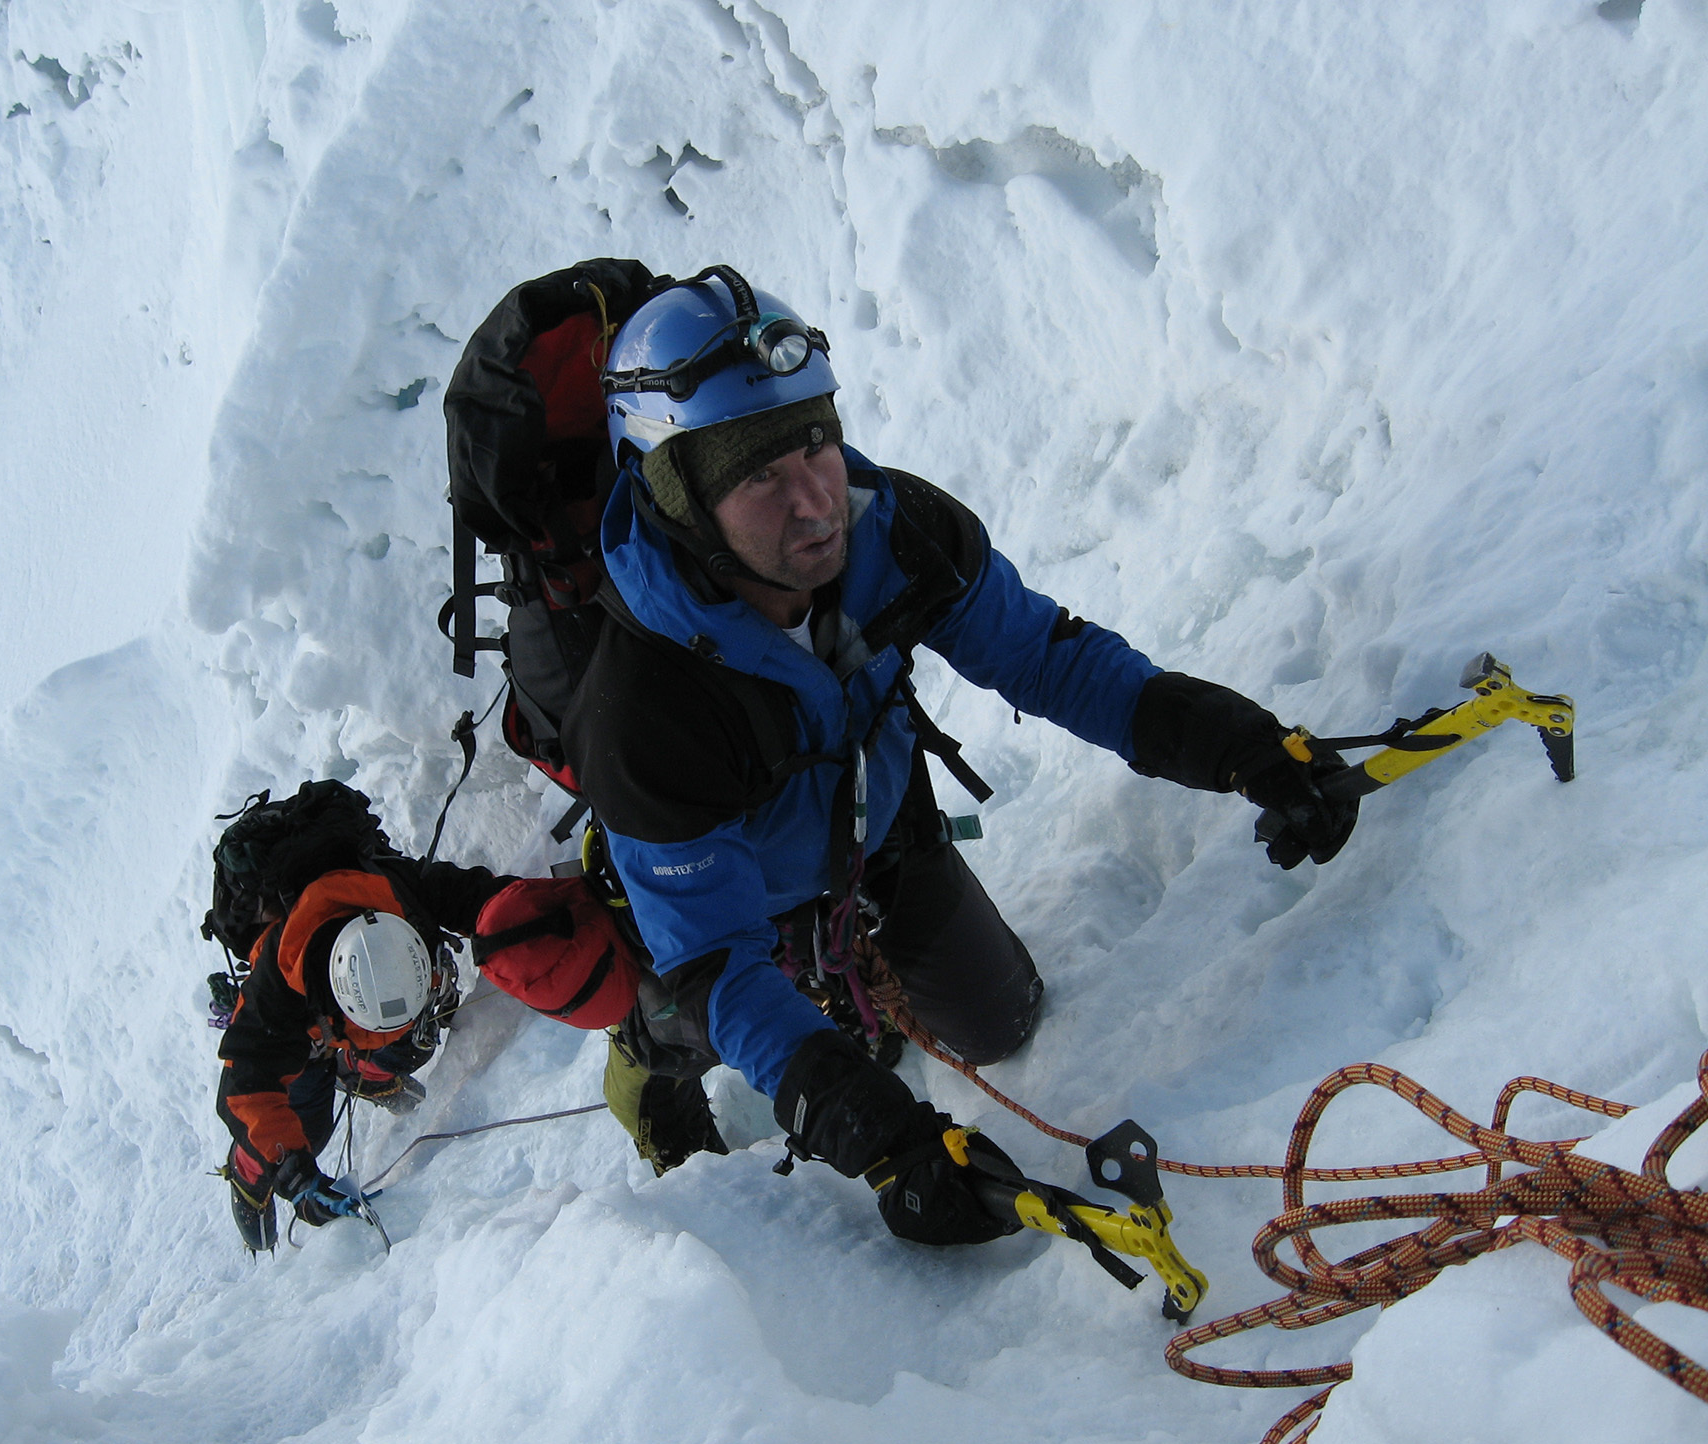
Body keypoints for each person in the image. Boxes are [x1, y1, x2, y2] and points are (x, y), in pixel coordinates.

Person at [562, 265, 1358, 1244]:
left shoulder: (891, 533)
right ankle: (643, 1051)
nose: (812, 500)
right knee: (706, 1018)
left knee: (999, 1026)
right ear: (678, 498)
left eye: (814, 439)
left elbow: (1047, 659)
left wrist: (1241, 746)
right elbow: (717, 963)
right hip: (723, 916)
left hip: (876, 838)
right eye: (758, 475)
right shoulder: (640, 711)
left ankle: (847, 990)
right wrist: (885, 1139)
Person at [217, 850, 509, 1252]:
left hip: (368, 1012)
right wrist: (295, 1174)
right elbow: (246, 1090)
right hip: (305, 1039)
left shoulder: (401, 897)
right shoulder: (276, 989)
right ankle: (248, 1172)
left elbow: (477, 896)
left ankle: (359, 1072)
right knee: (306, 1132)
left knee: (414, 1042)